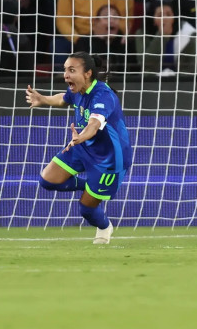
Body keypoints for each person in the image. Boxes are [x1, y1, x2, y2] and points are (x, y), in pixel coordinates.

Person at [25, 52, 133, 245]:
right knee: (47, 180)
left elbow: (94, 124)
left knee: (86, 209)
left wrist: (81, 136)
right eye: (65, 70)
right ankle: (89, 185)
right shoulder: (77, 91)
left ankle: (105, 226)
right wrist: (43, 99)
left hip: (108, 159)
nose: (66, 75)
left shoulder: (103, 95)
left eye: (72, 70)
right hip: (83, 147)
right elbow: (63, 99)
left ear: (87, 73)